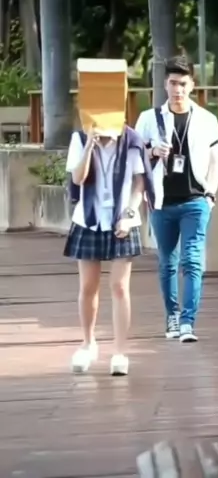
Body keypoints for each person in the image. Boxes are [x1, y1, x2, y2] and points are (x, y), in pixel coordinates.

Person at [135, 55, 218, 343]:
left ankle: (187, 322)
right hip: (162, 202)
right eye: (173, 83)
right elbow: (134, 159)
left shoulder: (207, 120)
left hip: (196, 201)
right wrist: (152, 152)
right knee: (167, 263)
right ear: (165, 84)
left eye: (183, 84)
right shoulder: (149, 119)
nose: (178, 90)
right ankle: (172, 316)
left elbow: (215, 161)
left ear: (192, 85)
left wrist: (210, 194)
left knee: (193, 261)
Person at [64, 124, 155, 375]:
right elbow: (77, 179)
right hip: (88, 218)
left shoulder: (131, 139)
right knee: (88, 286)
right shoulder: (79, 138)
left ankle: (120, 352)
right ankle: (88, 343)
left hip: (122, 218)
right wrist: (89, 145)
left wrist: (129, 213)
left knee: (120, 286)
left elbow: (139, 182)